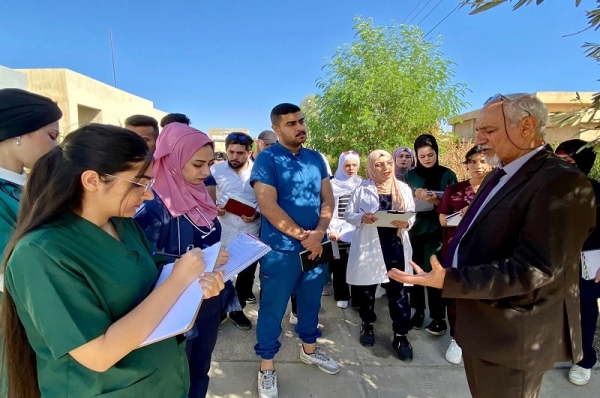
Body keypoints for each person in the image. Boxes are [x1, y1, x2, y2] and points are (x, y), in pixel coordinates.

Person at [388, 93, 596, 398]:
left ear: (527, 127)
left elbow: (535, 268)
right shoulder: (498, 176)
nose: (479, 138)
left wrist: (453, 279)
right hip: (481, 326)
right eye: (478, 130)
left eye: (489, 130)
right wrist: (449, 268)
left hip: (512, 337)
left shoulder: (561, 182)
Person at [1, 124, 224, 397]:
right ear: (92, 180)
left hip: (162, 381)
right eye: (139, 184)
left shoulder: (122, 223)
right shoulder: (41, 253)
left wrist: (197, 279)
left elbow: (150, 274)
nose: (149, 195)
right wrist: (178, 281)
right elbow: (98, 353)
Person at [134, 122, 236, 398]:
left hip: (207, 301)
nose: (206, 173)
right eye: (197, 165)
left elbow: (206, 235)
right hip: (172, 307)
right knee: (175, 374)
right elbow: (143, 265)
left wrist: (215, 253)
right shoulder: (151, 207)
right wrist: (204, 259)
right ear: (173, 160)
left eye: (210, 164)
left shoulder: (198, 194)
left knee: (199, 367)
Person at [251, 103, 339, 398]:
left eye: (301, 121)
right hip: (281, 252)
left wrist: (320, 233)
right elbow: (268, 206)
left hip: (316, 248)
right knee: (272, 309)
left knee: (311, 302)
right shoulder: (267, 159)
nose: (300, 127)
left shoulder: (316, 159)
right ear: (277, 129)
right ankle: (266, 366)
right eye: (291, 123)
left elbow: (328, 198)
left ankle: (310, 349)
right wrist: (306, 237)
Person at [344, 150, 416, 360]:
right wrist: (362, 218)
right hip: (369, 247)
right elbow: (349, 215)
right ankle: (367, 325)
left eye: (388, 164)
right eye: (379, 165)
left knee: (398, 293)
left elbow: (411, 214)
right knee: (367, 292)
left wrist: (406, 223)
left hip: (395, 246)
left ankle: (401, 335)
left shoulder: (403, 188)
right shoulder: (361, 189)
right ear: (371, 167)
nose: (385, 168)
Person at [437, 145, 491, 365]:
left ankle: (480, 339)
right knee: (456, 295)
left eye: (482, 161)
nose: (478, 166)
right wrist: (460, 215)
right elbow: (442, 220)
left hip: (486, 249)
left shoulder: (497, 189)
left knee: (483, 294)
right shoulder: (455, 190)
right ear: (467, 164)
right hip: (457, 248)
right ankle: (456, 339)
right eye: (473, 161)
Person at [555, 139, 600, 386]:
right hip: (553, 261)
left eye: (569, 162)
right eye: (559, 161)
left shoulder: (597, 191)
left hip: (588, 263)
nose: (563, 167)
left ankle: (583, 360)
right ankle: (553, 350)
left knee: (584, 309)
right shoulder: (549, 189)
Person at [403, 134, 457, 334]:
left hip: (438, 233)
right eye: (422, 155)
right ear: (417, 156)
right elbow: (404, 202)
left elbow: (455, 205)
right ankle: (417, 312)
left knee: (435, 274)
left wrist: (436, 200)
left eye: (430, 154)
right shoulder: (410, 175)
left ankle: (438, 318)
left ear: (437, 153)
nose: (427, 159)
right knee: (416, 272)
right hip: (415, 230)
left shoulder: (448, 175)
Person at [211, 132, 260, 329]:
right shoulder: (215, 171)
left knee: (247, 274)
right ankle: (222, 309)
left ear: (249, 153)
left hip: (251, 229)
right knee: (223, 273)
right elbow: (206, 198)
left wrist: (257, 213)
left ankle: (238, 310)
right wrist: (216, 208)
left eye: (240, 153)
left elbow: (267, 199)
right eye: (231, 152)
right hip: (225, 230)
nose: (234, 157)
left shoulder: (259, 171)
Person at [327, 150, 363, 309]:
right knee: (339, 265)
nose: (351, 168)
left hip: (357, 228)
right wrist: (331, 230)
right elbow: (327, 210)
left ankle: (357, 298)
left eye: (354, 165)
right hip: (338, 228)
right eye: (347, 165)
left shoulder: (362, 183)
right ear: (341, 165)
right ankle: (342, 295)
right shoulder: (332, 185)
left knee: (357, 264)